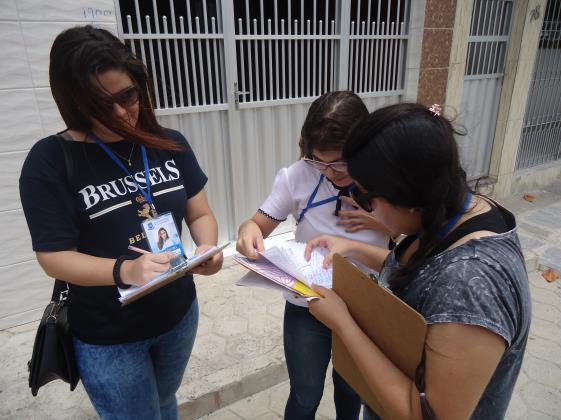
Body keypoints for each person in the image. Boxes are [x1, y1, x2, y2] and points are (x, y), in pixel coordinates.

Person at [19, 26, 223, 419]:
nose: (119, 113)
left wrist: (206, 249)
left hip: (178, 314)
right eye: (99, 102)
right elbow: (53, 256)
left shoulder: (169, 142)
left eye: (127, 96)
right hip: (109, 335)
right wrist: (125, 270)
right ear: (73, 99)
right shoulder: (49, 161)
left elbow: (200, 213)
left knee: (165, 402)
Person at [305, 103, 532, 419]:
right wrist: (353, 247)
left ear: (409, 198)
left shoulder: (471, 285)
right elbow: (424, 273)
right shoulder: (455, 211)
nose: (365, 208)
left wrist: (343, 323)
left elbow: (425, 414)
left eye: (367, 197)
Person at [236, 91, 389, 420]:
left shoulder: (388, 177)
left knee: (351, 392)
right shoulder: (297, 176)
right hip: (309, 305)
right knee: (305, 396)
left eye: (342, 163)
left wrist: (383, 222)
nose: (331, 172)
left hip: (365, 306)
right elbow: (255, 224)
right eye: (320, 162)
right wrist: (247, 234)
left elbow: (412, 251)